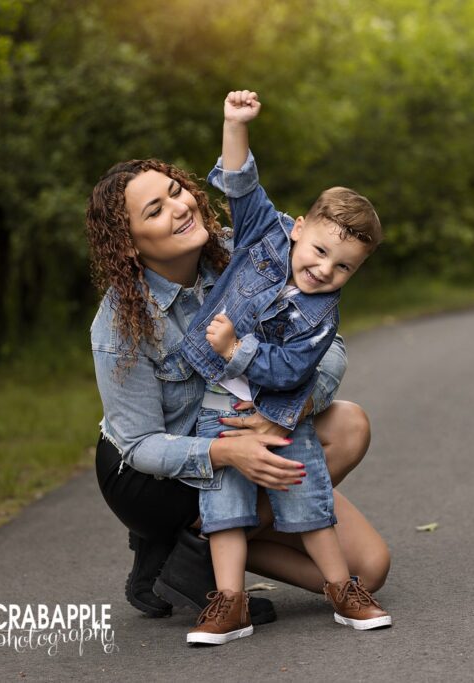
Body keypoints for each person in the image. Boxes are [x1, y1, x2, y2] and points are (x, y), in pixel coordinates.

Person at [85, 127, 391, 630]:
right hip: (158, 476)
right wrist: (227, 452)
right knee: (226, 471)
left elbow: (327, 347)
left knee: (369, 566)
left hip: (244, 429)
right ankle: (181, 545)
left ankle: (192, 557)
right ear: (130, 244)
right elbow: (138, 445)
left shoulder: (246, 248)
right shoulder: (120, 322)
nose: (179, 208)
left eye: (176, 192)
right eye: (155, 211)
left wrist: (281, 416)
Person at [180, 90, 390, 645]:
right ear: (298, 227)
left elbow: (292, 368)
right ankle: (230, 602)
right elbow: (239, 182)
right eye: (321, 251)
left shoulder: (323, 313)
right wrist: (234, 122)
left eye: (344, 267)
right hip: (221, 405)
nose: (325, 270)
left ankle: (343, 589)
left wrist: (235, 351)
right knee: (224, 502)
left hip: (280, 410)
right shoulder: (262, 235)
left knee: (308, 495)